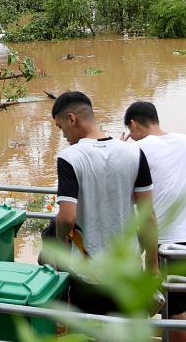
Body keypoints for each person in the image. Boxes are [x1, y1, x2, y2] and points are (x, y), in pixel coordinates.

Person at [51, 91, 158, 314]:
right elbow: (147, 215)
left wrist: (62, 246)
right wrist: (152, 267)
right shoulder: (134, 152)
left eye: (61, 128)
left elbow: (67, 218)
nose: (63, 136)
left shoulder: (69, 158)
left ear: (72, 118)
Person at [123, 101, 186, 342]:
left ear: (133, 124)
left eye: (130, 132)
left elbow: (130, 194)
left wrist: (121, 151)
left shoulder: (138, 150)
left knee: (173, 311)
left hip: (168, 241)